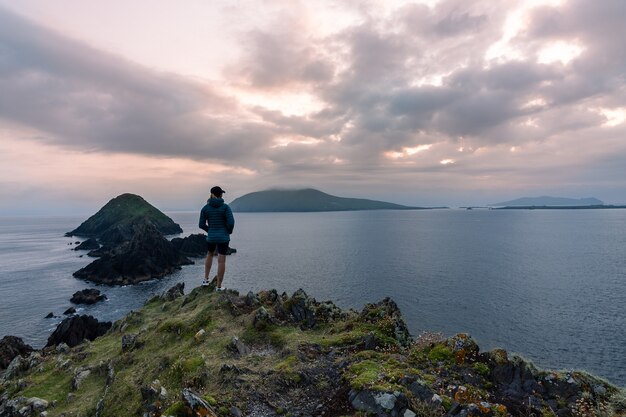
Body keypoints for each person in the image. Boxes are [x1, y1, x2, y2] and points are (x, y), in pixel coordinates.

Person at [199, 186, 235, 291]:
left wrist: (209, 230)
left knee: (209, 254)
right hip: (223, 237)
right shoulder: (225, 207)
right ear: (220, 195)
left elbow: (201, 224)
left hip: (211, 237)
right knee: (221, 260)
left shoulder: (205, 208)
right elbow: (231, 223)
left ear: (211, 194)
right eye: (221, 193)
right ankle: (219, 286)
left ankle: (206, 280)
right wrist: (228, 231)